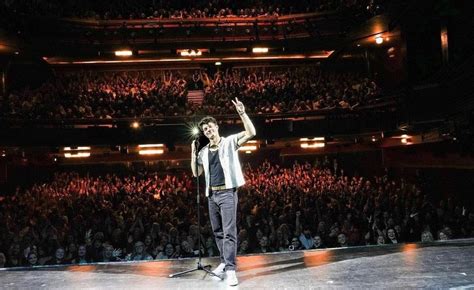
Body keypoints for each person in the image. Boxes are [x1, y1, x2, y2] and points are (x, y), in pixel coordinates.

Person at [191, 97, 256, 286]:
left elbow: (251, 132)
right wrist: (192, 152)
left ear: (216, 127)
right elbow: (197, 172)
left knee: (229, 232)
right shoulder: (203, 151)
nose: (208, 131)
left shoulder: (229, 142)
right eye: (205, 130)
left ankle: (231, 270)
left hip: (227, 193)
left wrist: (242, 113)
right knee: (218, 231)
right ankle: (223, 261)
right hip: (211, 195)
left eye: (210, 127)